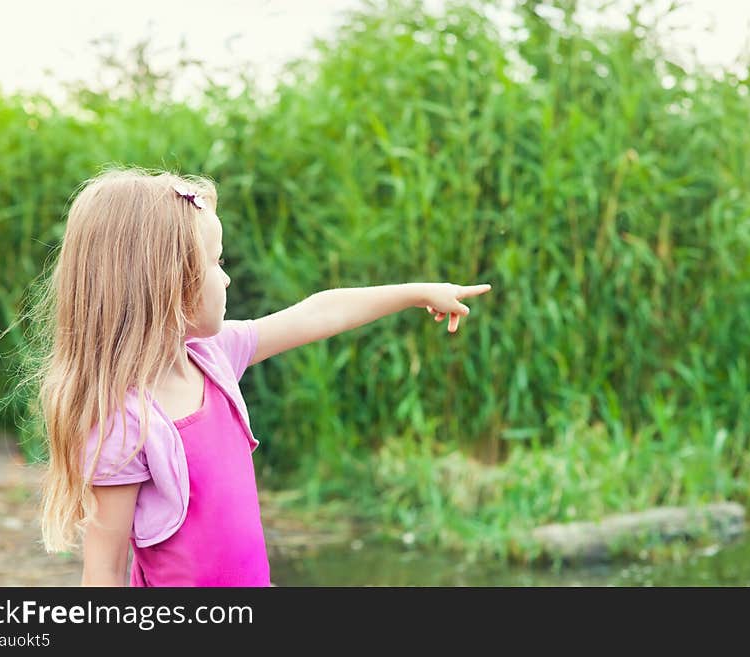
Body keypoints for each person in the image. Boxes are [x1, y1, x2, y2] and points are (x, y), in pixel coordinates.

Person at [36, 167, 492, 586]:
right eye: (216, 262)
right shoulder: (124, 422)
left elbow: (317, 313)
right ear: (166, 281)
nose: (228, 279)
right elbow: (105, 571)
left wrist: (416, 293)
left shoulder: (212, 358)